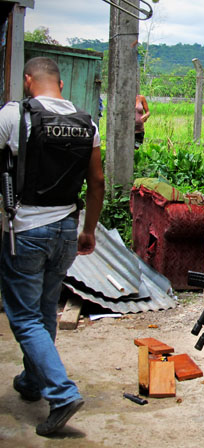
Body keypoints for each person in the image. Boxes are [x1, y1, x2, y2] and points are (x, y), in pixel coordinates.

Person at [0, 57, 105, 436]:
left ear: (29, 81)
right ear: (60, 84)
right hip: (65, 230)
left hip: (26, 228)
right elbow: (96, 183)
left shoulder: (14, 116)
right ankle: (33, 381)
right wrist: (88, 229)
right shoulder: (86, 121)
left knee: (25, 316)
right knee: (45, 310)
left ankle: (60, 393)